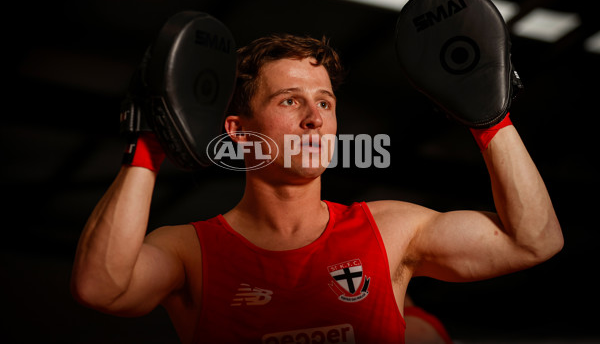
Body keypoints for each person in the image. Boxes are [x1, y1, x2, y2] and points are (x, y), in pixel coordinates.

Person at [71, 33, 563, 343]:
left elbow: (534, 240)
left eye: (325, 103)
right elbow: (100, 289)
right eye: (290, 101)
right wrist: (147, 148)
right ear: (240, 131)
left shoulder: (391, 230)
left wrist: (491, 122)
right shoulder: (190, 251)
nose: (314, 119)